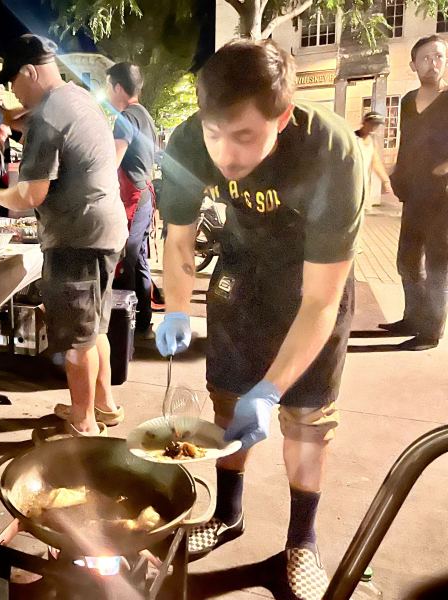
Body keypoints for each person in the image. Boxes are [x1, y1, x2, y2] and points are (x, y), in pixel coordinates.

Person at [157, 40, 362, 599]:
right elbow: (177, 243)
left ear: (283, 117)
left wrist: (273, 387)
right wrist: (176, 306)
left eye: (245, 136)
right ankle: (228, 514)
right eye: (214, 133)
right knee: (226, 397)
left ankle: (302, 542)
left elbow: (320, 301)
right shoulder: (186, 141)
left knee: (306, 417)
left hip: (311, 276)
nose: (225, 154)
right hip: (242, 269)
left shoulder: (331, 154)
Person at [0, 34, 128, 435]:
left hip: (76, 238)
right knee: (95, 328)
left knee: (78, 341)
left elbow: (29, 195)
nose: (12, 91)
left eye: (13, 82)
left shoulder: (47, 117)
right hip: (107, 230)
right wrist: (2, 118)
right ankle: (105, 406)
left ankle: (84, 421)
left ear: (29, 72)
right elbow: (28, 118)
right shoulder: (76, 97)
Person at [381, 35, 448, 351]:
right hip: (415, 195)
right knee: (407, 261)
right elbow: (404, 143)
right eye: (425, 57)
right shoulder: (408, 101)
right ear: (412, 64)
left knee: (437, 266)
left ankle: (431, 331)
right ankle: (413, 317)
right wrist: (396, 175)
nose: (433, 63)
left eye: (439, 56)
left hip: (443, 198)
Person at [105, 62, 157, 340]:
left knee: (127, 258)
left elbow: (113, 161)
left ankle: (126, 327)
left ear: (117, 87)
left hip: (135, 197)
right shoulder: (144, 115)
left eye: (108, 87)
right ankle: (143, 323)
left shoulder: (126, 117)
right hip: (144, 194)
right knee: (139, 260)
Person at [355, 111, 392, 209]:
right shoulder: (353, 138)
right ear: (364, 122)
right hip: (350, 183)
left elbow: (375, 162)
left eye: (376, 125)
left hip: (363, 184)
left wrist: (385, 181)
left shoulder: (372, 141)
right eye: (372, 124)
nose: (373, 127)